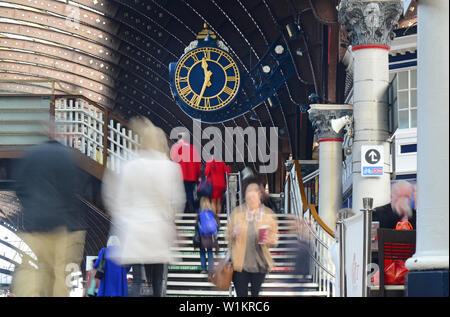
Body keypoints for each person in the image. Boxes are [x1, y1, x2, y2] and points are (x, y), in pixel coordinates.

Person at [103, 117, 185, 297]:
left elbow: (116, 200)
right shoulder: (170, 168)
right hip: (158, 231)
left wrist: (124, 220)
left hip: (135, 232)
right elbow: (177, 201)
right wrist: (171, 222)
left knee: (138, 280)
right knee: (158, 280)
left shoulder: (129, 165)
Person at [11, 120, 85, 297]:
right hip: (61, 228)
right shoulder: (68, 156)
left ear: (46, 133)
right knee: (60, 274)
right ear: (58, 134)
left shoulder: (31, 155)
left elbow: (19, 187)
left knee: (31, 271)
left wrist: (32, 207)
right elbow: (74, 191)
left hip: (34, 227)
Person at [226, 176, 278, 297]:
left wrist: (270, 239)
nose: (251, 196)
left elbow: (274, 239)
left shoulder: (268, 215)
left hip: (260, 265)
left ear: (260, 195)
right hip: (240, 265)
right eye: (249, 193)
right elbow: (227, 235)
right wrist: (232, 234)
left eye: (254, 192)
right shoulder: (237, 213)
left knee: (255, 294)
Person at [171, 132, 201, 213]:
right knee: (190, 191)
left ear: (179, 138)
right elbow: (198, 163)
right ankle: (190, 208)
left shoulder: (176, 147)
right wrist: (198, 175)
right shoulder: (193, 148)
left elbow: (173, 160)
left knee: (181, 193)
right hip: (191, 176)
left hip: (179, 175)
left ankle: (184, 210)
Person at [195, 197, 220, 275]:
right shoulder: (212, 214)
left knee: (202, 252)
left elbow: (196, 225)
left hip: (202, 237)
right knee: (210, 252)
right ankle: (211, 269)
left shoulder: (200, 214)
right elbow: (218, 224)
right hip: (211, 237)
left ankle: (203, 268)